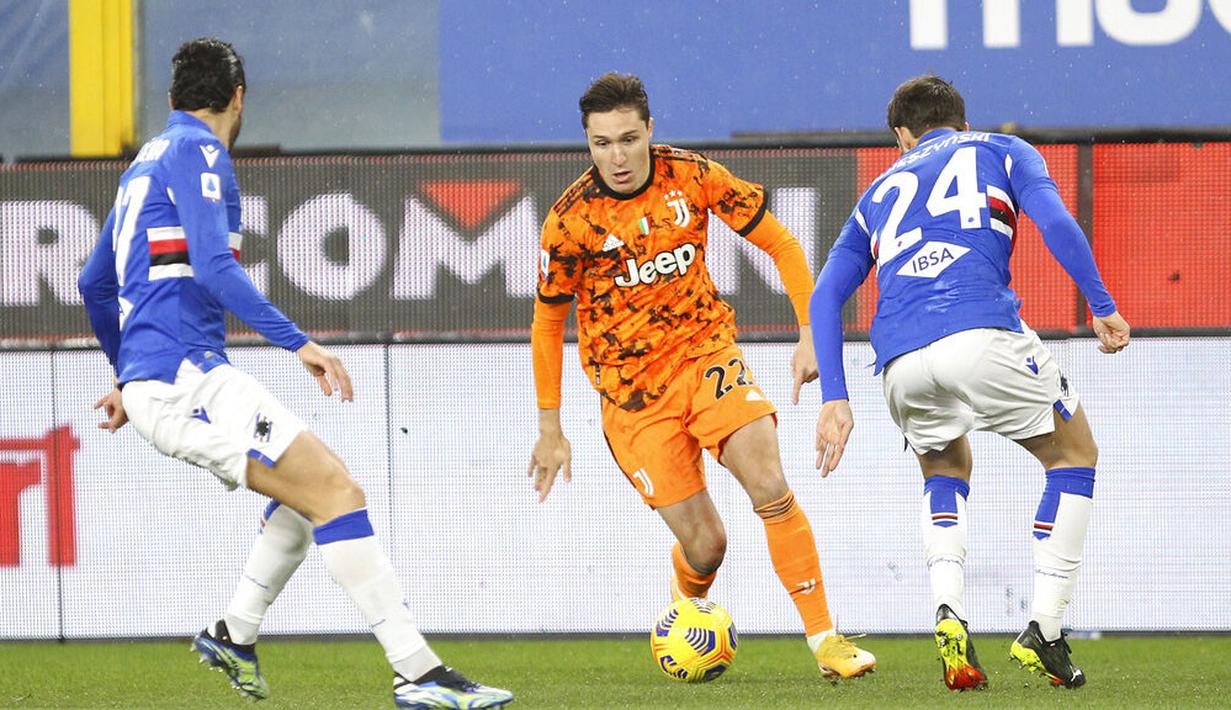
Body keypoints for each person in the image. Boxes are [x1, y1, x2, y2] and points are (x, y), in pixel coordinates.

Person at [77, 38, 512, 709]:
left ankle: (234, 631)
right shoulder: (200, 152)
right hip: (185, 382)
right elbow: (217, 271)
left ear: (170, 101)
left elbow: (94, 283)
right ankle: (417, 674)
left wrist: (127, 374)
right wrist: (298, 342)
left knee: (321, 488)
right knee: (334, 495)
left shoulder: (144, 162)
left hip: (173, 379)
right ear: (240, 99)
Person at [528, 72, 875, 679]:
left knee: (768, 479)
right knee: (707, 546)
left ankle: (826, 639)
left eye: (628, 139)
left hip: (706, 356)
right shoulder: (570, 221)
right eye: (602, 143)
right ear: (587, 144)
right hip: (633, 400)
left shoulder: (692, 175)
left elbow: (784, 244)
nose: (617, 156)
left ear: (650, 131)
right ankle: (686, 614)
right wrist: (550, 427)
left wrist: (808, 332)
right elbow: (547, 324)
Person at [810, 74, 1131, 691]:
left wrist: (835, 397)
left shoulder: (877, 190)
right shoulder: (1003, 150)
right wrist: (1100, 303)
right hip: (978, 331)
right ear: (961, 118)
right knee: (1074, 454)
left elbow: (826, 296)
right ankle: (1046, 629)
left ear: (902, 135)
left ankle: (949, 609)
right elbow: (1057, 221)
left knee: (945, 469)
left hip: (900, 362)